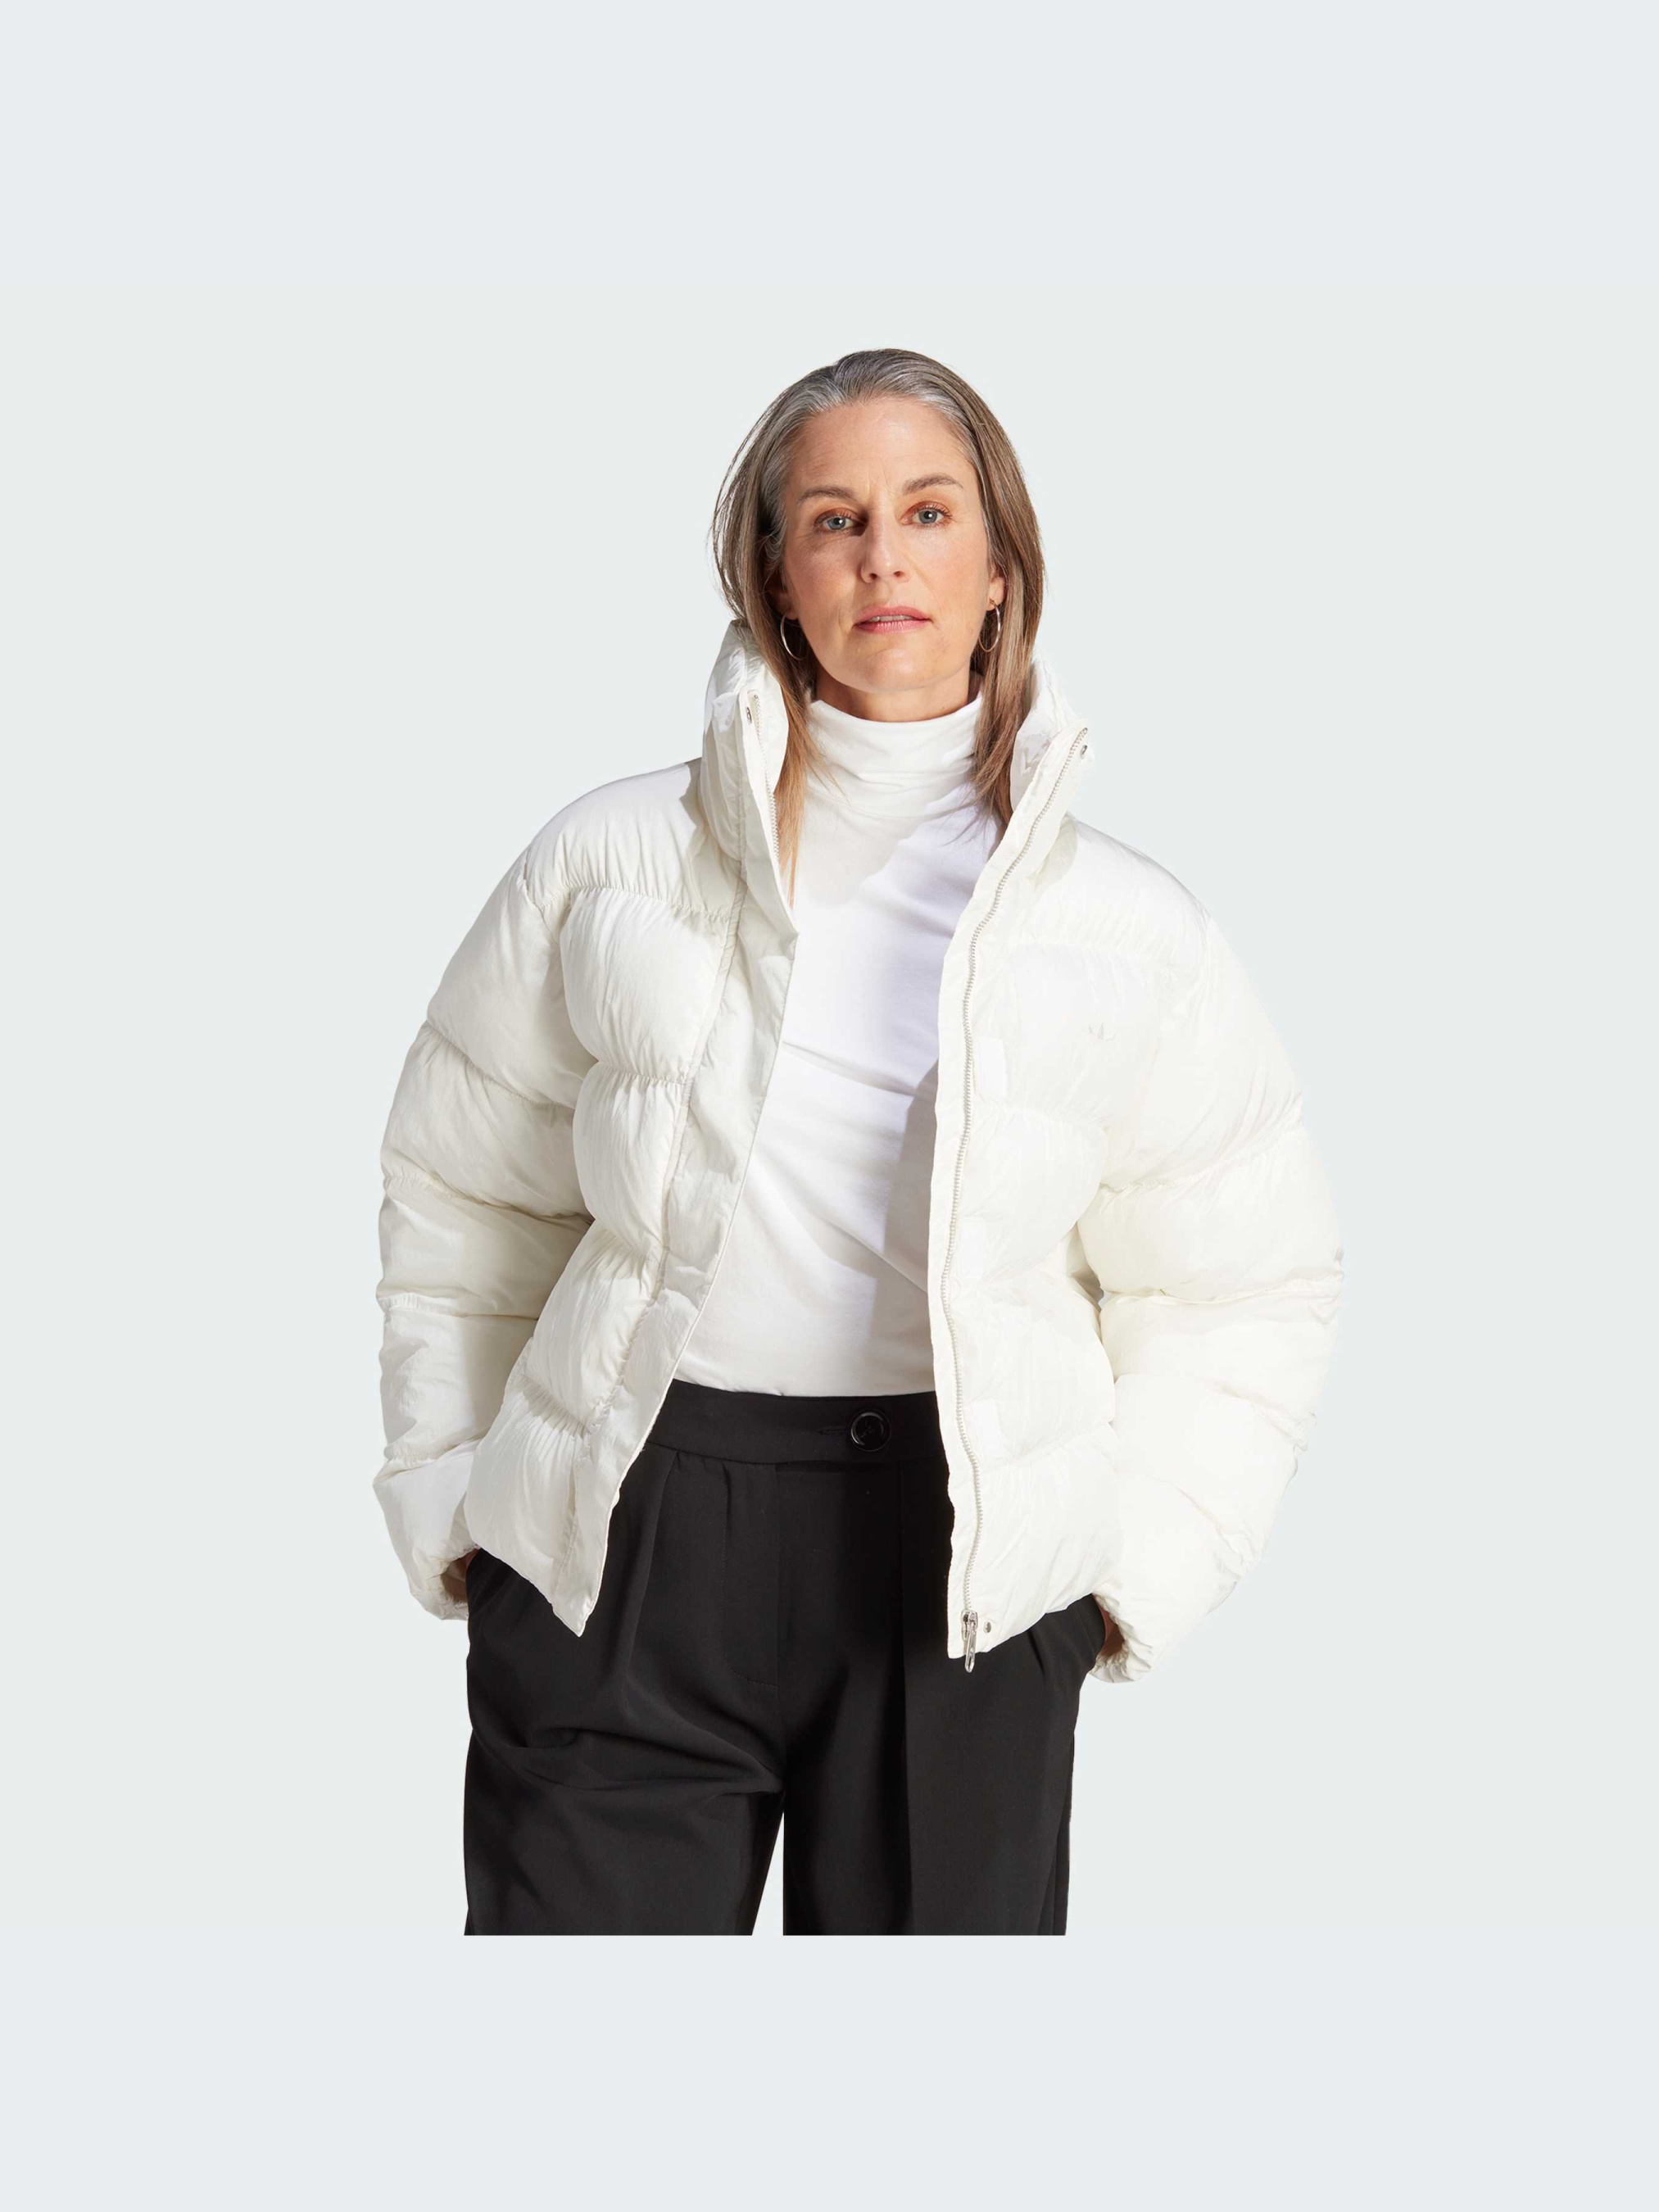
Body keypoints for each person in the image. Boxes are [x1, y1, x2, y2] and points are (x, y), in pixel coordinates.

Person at [372, 347, 1344, 1935]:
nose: (881, 556)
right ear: (775, 573)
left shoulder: (1130, 929)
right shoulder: (607, 861)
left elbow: (1244, 1281)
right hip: (625, 1529)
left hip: (956, 1559)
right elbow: (464, 1203)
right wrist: (463, 1502)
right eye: (832, 519)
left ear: (998, 566)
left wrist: (1117, 1578)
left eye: (927, 512)